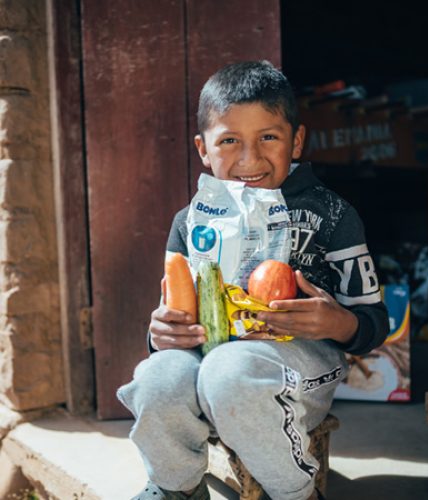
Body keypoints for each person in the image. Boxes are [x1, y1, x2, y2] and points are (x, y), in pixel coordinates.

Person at [117, 60, 389, 500]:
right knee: (157, 376)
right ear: (203, 149)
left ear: (295, 141)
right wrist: (161, 334)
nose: (250, 158)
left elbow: (374, 322)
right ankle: (175, 488)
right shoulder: (191, 224)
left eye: (268, 137)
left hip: (301, 366)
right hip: (205, 362)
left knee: (229, 371)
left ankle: (295, 492)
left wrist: (336, 323)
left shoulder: (332, 215)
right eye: (228, 141)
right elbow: (172, 318)